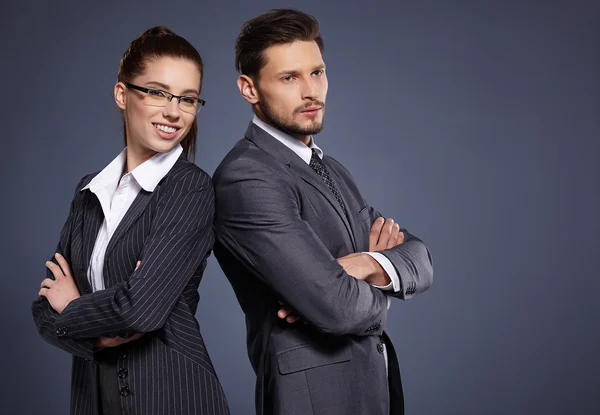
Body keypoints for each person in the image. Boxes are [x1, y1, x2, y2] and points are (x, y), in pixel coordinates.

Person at [213, 9, 434, 415]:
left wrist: (364, 263)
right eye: (289, 78)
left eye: (317, 73)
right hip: (314, 399)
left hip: (374, 388)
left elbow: (421, 258)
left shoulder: (331, 169)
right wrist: (379, 280)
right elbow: (336, 309)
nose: (311, 91)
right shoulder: (246, 177)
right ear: (249, 89)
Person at [32, 26, 229, 415]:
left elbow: (141, 309)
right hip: (93, 398)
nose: (173, 111)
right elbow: (42, 308)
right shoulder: (90, 191)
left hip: (172, 397)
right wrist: (99, 339)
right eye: (157, 92)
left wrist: (72, 309)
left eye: (187, 99)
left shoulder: (188, 189)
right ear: (123, 94)